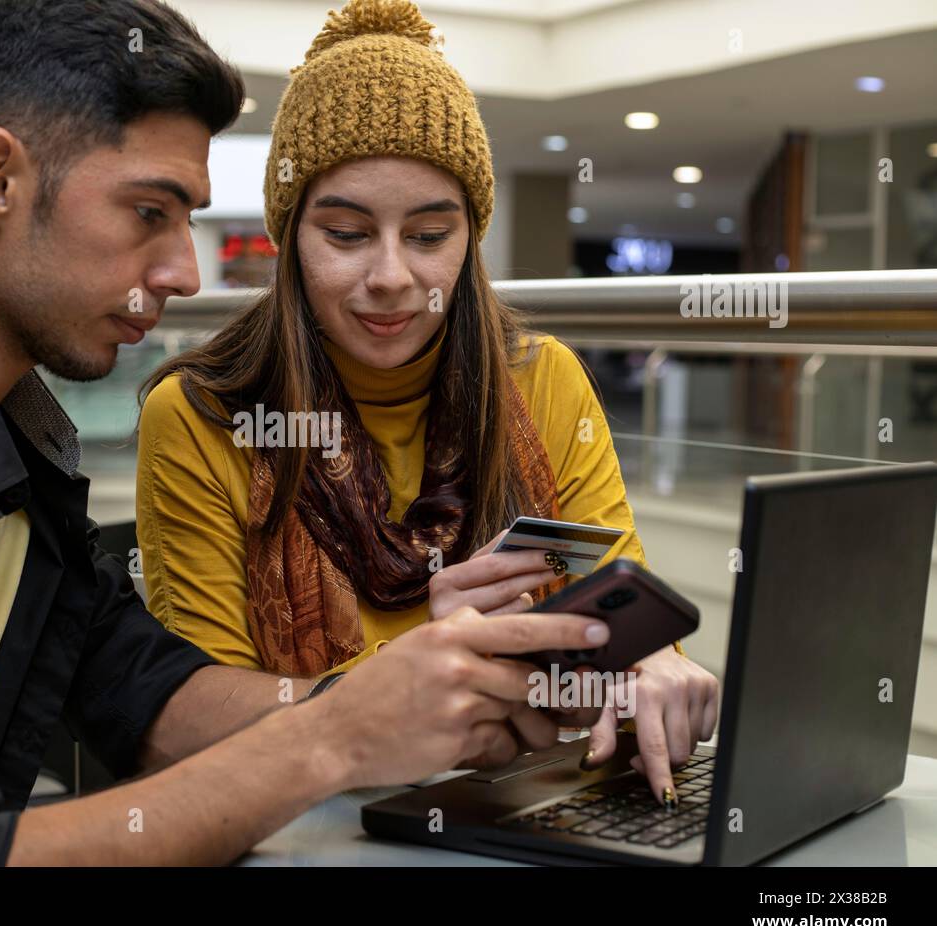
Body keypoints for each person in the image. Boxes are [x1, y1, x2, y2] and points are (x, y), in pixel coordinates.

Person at [0, 0, 608, 865]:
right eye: (148, 211)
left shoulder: (8, 428)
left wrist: (382, 703)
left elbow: (141, 689)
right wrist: (335, 738)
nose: (184, 273)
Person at [137, 0, 719, 809]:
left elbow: (621, 601)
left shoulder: (542, 380)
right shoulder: (201, 416)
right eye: (345, 234)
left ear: (470, 238)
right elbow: (193, 718)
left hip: (523, 808)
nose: (390, 278)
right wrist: (418, 668)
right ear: (289, 236)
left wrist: (650, 658)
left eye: (427, 235)